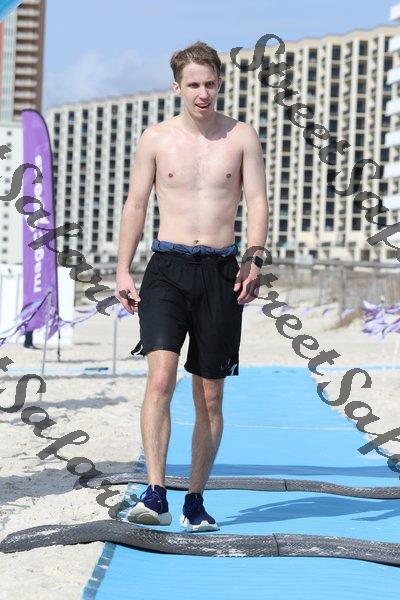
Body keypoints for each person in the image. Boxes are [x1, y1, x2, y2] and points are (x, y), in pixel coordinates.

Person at [115, 41, 268, 532]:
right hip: (166, 268)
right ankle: (155, 493)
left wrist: (254, 258)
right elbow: (136, 204)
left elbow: (258, 201)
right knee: (161, 379)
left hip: (221, 272)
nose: (203, 93)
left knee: (209, 397)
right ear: (176, 86)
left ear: (220, 84)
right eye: (194, 84)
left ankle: (195, 500)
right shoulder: (156, 138)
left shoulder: (241, 136)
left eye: (211, 83)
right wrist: (122, 269)